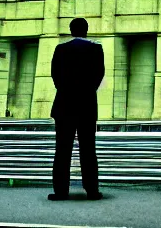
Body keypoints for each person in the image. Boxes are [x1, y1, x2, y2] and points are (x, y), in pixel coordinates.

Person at [48, 18, 105, 201]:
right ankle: (92, 191)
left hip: (64, 104)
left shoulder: (61, 49)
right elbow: (99, 74)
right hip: (87, 105)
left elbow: (55, 74)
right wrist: (88, 91)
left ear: (71, 30)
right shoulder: (96, 49)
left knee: (62, 149)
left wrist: (65, 90)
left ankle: (60, 191)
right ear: (86, 30)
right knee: (88, 149)